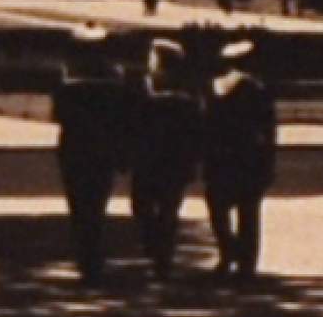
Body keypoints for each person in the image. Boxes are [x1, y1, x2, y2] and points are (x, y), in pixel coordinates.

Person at [50, 24, 131, 285]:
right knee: (96, 204)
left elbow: (59, 115)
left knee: (79, 205)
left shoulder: (66, 78)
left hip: (76, 147)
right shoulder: (116, 77)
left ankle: (87, 258)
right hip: (103, 147)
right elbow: (121, 118)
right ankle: (93, 257)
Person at [201, 37, 279, 283]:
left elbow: (203, 123)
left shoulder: (213, 87)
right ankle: (246, 265)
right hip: (248, 157)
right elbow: (268, 130)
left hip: (218, 156)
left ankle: (227, 252)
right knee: (249, 214)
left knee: (217, 210)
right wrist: (268, 161)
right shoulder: (259, 89)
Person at [129, 38, 202, 280]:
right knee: (147, 209)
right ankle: (159, 249)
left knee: (165, 210)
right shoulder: (147, 91)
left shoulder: (179, 99)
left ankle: (162, 256)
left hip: (163, 161)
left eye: (153, 58)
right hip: (157, 161)